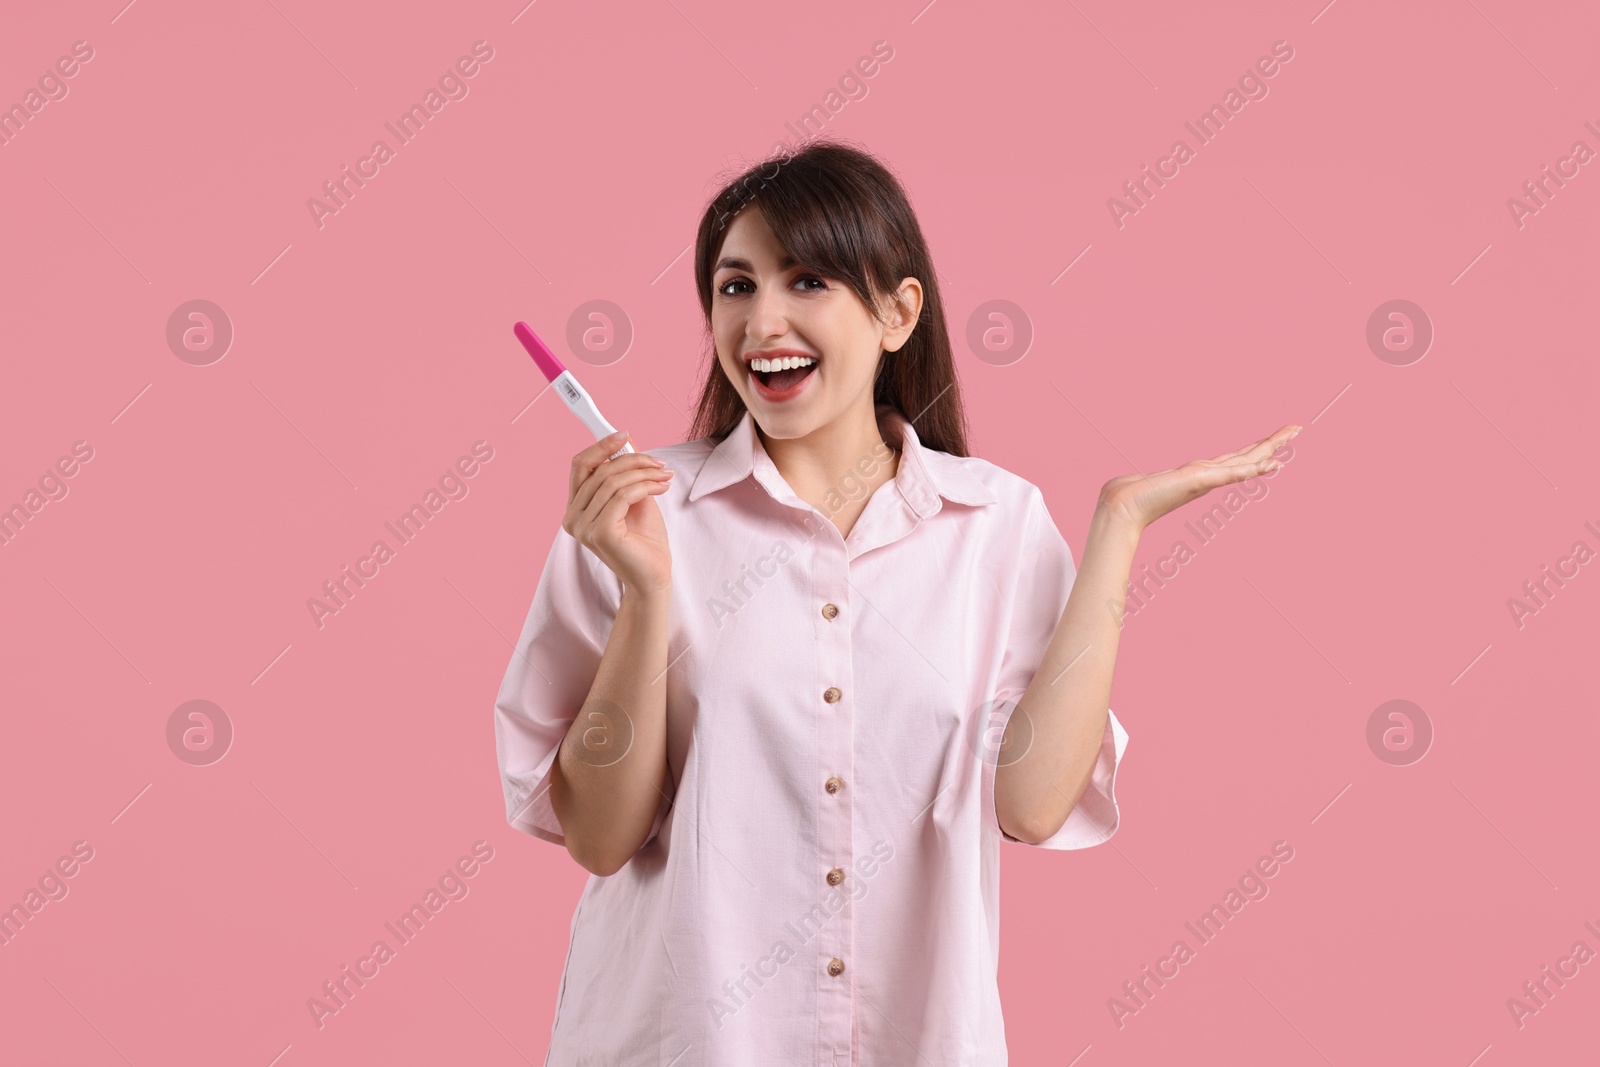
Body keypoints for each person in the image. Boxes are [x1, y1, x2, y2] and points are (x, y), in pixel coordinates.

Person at [493, 139, 1298, 1065]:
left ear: (897, 312)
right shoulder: (635, 516)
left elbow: (1034, 804)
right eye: (736, 285)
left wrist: (1118, 527)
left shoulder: (995, 524)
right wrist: (645, 595)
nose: (762, 321)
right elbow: (599, 838)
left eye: (807, 282)